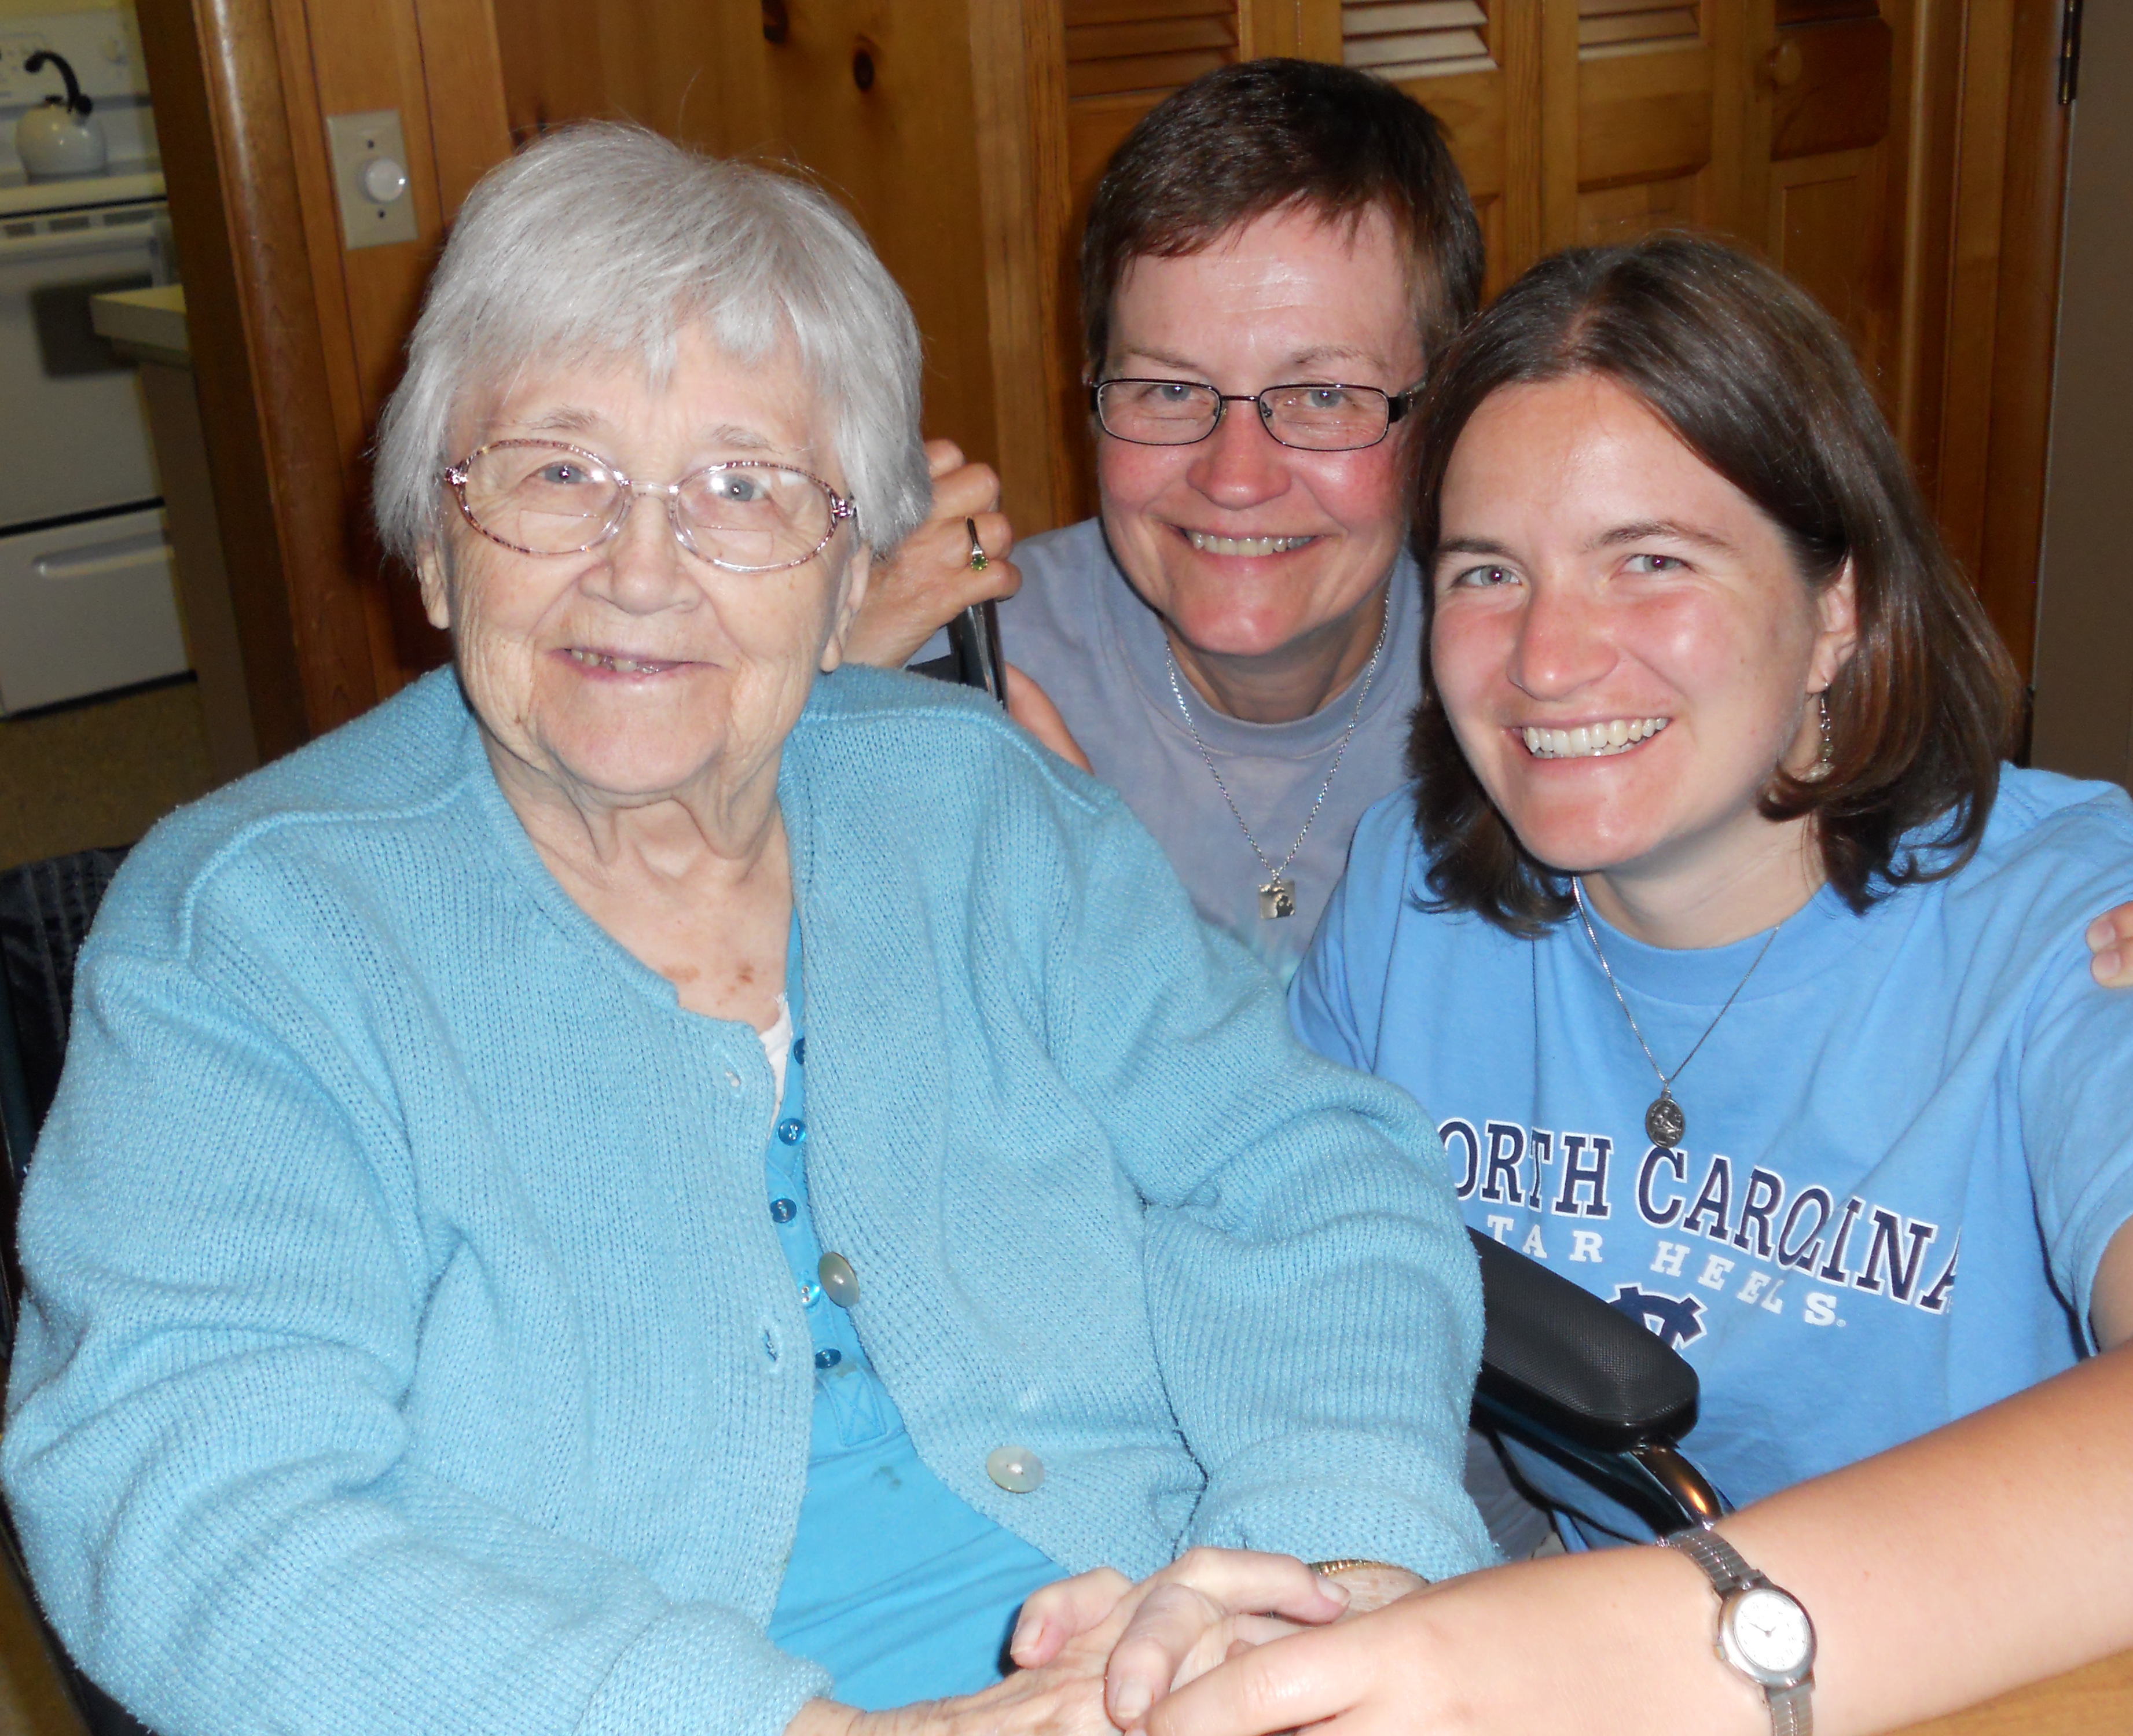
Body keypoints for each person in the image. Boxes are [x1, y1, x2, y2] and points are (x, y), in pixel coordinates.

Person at [0, 124, 1494, 1736]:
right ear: (435, 541)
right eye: (556, 472)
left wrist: (1320, 1575)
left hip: (1169, 1656)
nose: (640, 569)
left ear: (842, 561)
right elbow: (186, 1509)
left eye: (742, 488)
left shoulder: (980, 810)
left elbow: (1304, 1170)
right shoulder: (257, 930)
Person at [1048, 236, 2133, 1735]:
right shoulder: (1410, 896)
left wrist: (1614, 1650)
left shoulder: (2103, 923)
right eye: (1487, 573)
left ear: (1837, 604)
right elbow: (1291, 1274)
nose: (1548, 657)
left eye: (1651, 560)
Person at [854, 58, 2133, 1009]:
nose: (1235, 475)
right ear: (1087, 396)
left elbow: (1910, 854)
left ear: (1448, 413)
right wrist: (792, 741)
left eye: (1321, 395)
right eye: (1167, 390)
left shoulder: (1549, 671)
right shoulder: (948, 670)